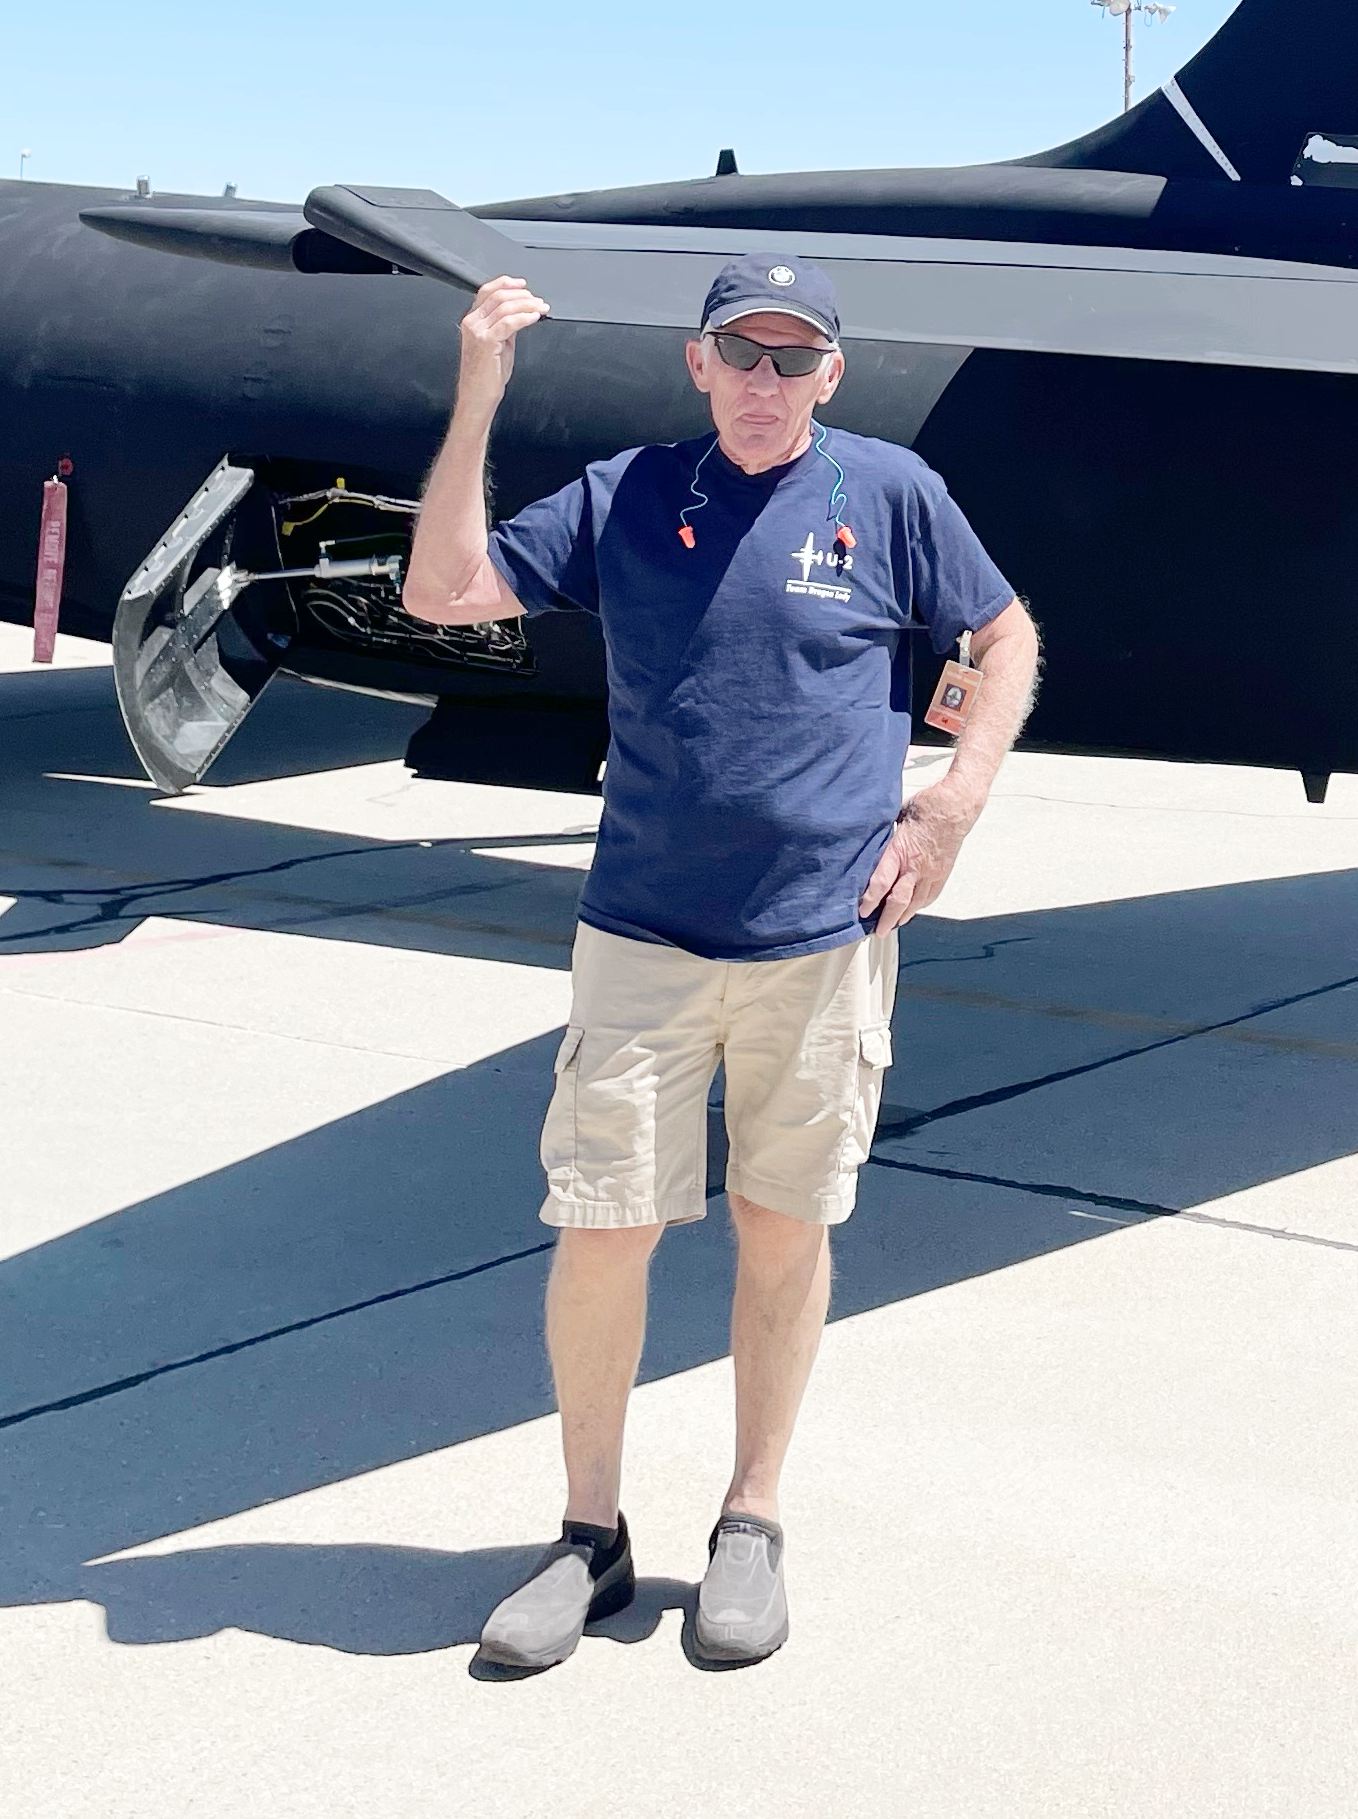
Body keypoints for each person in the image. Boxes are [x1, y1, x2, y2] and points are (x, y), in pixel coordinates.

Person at [402, 251, 1038, 1672]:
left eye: (793, 357)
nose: (765, 380)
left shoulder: (891, 494)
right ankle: (590, 1538)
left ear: (831, 373)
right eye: (740, 353)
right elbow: (443, 591)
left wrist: (952, 803)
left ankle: (752, 1518)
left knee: (783, 1222)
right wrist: (479, 389)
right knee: (603, 1227)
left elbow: (1004, 636)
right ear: (698, 364)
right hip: (643, 931)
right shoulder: (628, 493)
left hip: (823, 937)